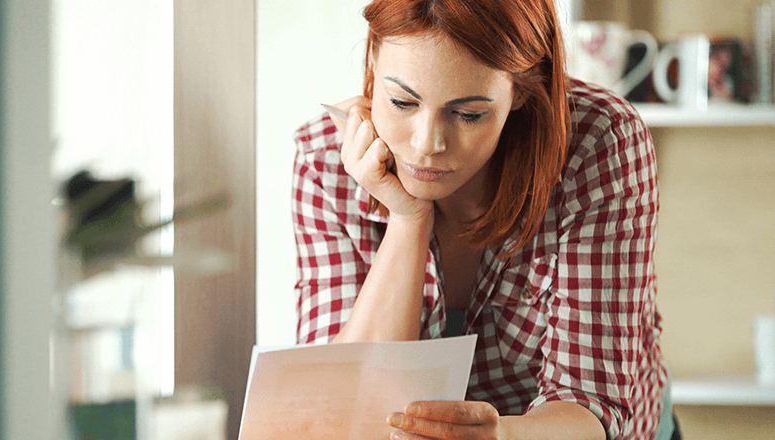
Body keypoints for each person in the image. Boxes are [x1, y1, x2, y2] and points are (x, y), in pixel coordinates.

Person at [290, 0, 677, 439]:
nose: (427, 144)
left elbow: (590, 403)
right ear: (374, 59)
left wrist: (500, 437)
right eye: (401, 101)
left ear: (522, 89)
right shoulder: (324, 160)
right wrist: (408, 219)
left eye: (469, 114)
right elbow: (343, 407)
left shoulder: (598, 142)